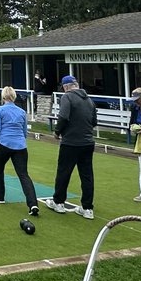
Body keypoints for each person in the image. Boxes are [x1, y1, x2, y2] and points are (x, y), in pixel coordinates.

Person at [0, 86, 38, 215]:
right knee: (23, 175)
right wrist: (20, 140)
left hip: (4, 144)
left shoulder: (0, 110)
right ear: (14, 97)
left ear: (4, 97)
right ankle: (33, 204)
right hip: (20, 146)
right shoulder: (21, 112)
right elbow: (24, 131)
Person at [51, 74, 97, 220]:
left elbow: (63, 116)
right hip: (88, 142)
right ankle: (87, 207)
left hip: (71, 142)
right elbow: (94, 121)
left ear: (66, 87)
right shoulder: (89, 100)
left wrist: (58, 131)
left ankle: (58, 202)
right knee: (87, 175)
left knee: (64, 172)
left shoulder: (67, 97)